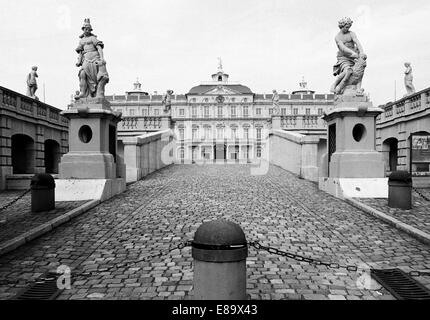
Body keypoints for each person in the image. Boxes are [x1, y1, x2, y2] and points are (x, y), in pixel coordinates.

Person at [75, 18, 109, 99]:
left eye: (88, 29)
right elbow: (80, 52)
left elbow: (99, 48)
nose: (86, 30)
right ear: (83, 29)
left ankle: (96, 92)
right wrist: (79, 61)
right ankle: (83, 92)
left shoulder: (93, 38)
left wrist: (102, 58)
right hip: (86, 59)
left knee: (96, 77)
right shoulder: (81, 40)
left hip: (94, 58)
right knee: (82, 73)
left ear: (90, 30)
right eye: (85, 29)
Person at [331, 17, 365, 95]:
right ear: (342, 26)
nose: (348, 28)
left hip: (354, 56)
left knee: (359, 71)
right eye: (346, 27)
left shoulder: (351, 33)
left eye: (349, 27)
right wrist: (352, 53)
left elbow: (357, 42)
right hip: (344, 58)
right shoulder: (337, 37)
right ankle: (335, 84)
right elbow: (342, 48)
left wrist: (361, 52)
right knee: (347, 70)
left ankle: (358, 88)